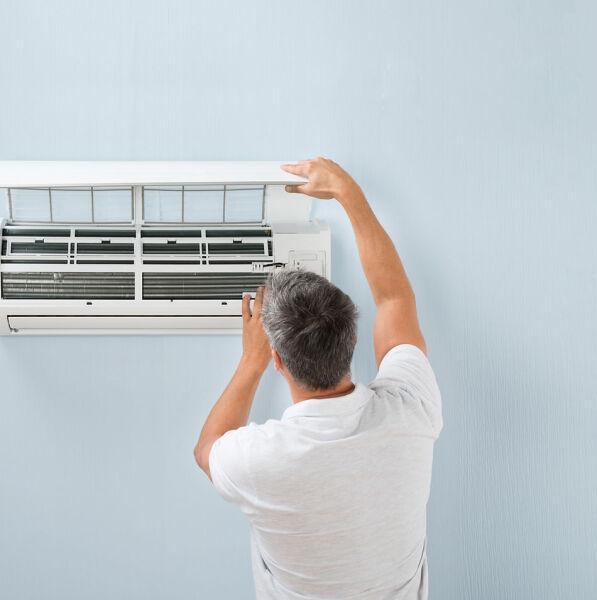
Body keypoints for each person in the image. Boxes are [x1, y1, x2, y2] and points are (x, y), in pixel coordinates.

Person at [194, 158, 443, 600]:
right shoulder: (412, 409)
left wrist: (251, 361)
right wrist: (348, 192)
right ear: (352, 340)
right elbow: (393, 298)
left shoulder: (260, 460)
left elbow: (207, 449)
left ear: (278, 360)